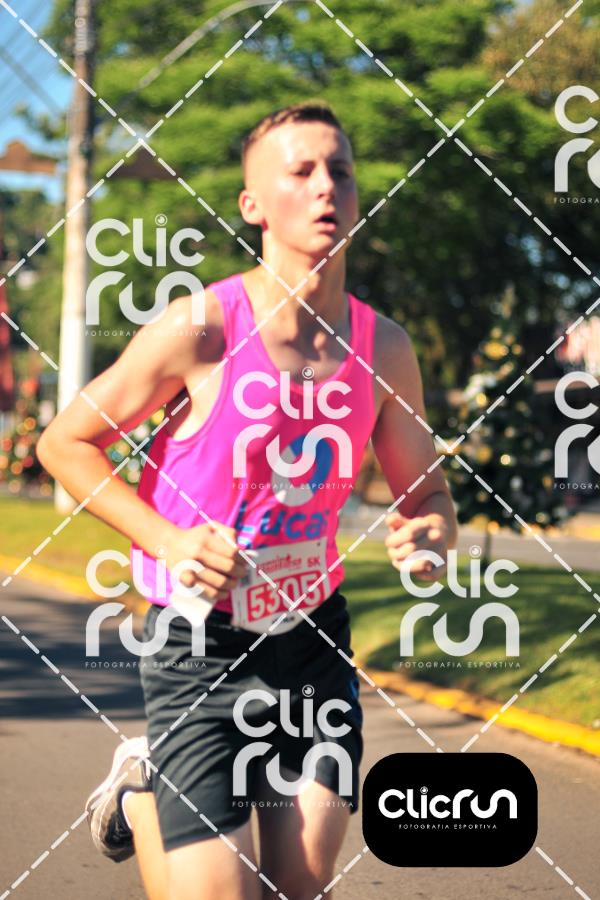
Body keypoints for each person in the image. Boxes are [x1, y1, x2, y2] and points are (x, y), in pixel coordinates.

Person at [38, 101, 457, 900]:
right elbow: (64, 444)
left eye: (340, 170)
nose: (327, 187)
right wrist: (167, 540)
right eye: (301, 171)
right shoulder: (202, 328)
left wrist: (432, 533)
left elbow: (426, 491)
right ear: (253, 205)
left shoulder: (384, 347)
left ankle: (158, 784)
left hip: (312, 640)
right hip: (200, 643)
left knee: (298, 886)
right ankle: (143, 787)